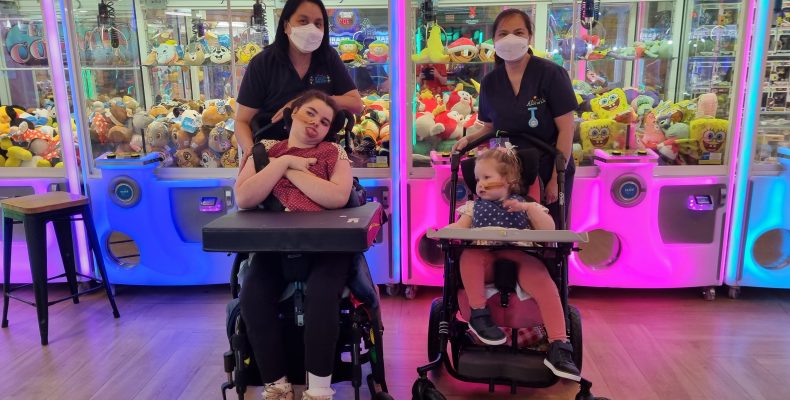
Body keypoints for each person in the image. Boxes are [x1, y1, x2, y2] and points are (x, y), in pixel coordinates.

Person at [235, 90, 353, 400]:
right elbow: (245, 198)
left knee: (323, 296)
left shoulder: (333, 153)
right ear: (294, 112)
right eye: (311, 113)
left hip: (326, 246)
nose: (317, 123)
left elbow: (337, 197)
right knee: (253, 294)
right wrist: (284, 162)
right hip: (274, 244)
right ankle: (277, 386)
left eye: (325, 121)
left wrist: (290, 173)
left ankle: (318, 390)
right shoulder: (265, 151)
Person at [443, 146, 581, 380]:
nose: (480, 184)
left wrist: (528, 208)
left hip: (521, 256)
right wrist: (443, 231)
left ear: (509, 180)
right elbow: (459, 228)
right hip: (484, 254)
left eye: (487, 178)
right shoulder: (473, 208)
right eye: (477, 179)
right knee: (468, 256)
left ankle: (559, 344)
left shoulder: (527, 205)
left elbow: (549, 229)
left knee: (541, 278)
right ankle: (479, 313)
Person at [452, 9, 577, 226]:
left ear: (529, 37)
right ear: (494, 40)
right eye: (503, 34)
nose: (511, 39)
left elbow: (567, 129)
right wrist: (468, 140)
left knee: (548, 232)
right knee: (503, 228)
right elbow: (490, 128)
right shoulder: (490, 82)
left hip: (549, 166)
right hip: (504, 172)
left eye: (518, 32)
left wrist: (557, 178)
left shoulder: (551, 74)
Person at [235, 0, 363, 167]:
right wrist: (252, 153)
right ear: (286, 25)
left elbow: (356, 104)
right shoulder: (263, 63)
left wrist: (302, 103)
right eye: (303, 21)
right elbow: (242, 121)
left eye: (318, 23)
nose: (311, 29)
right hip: (273, 155)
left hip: (322, 154)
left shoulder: (328, 57)